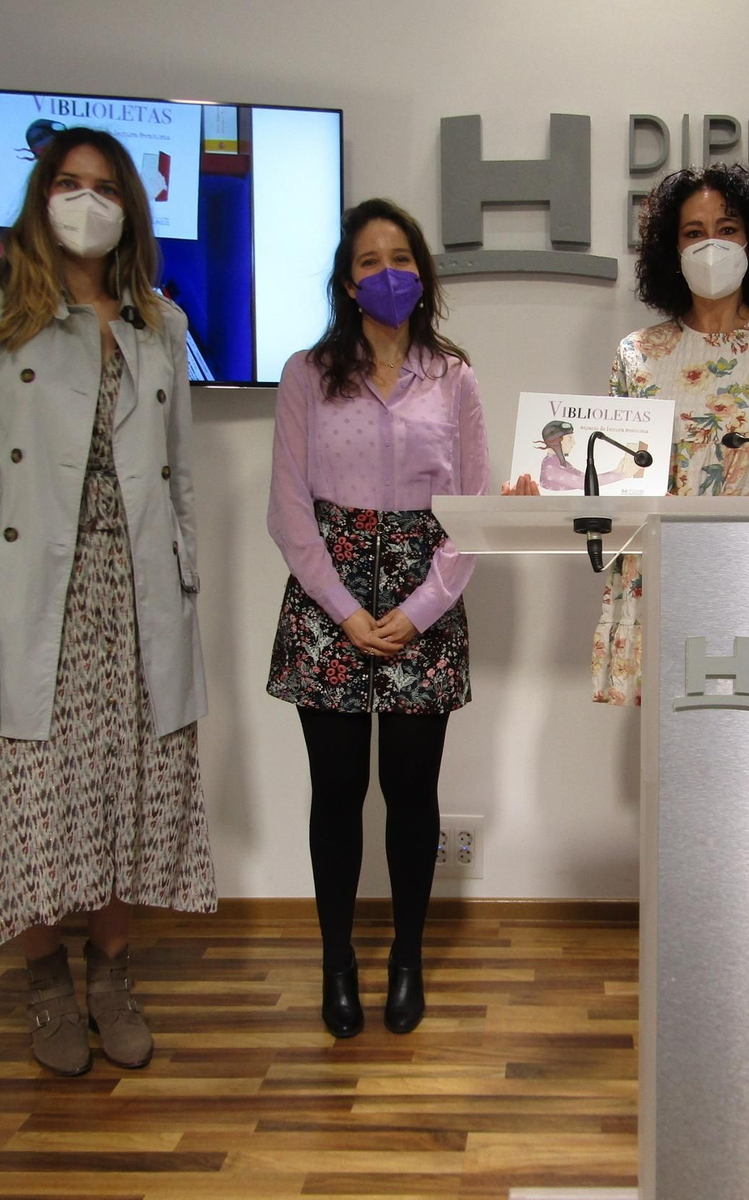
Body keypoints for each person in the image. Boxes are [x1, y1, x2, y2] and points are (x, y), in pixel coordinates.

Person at [0, 127, 215, 1077]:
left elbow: (178, 476)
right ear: (40, 195)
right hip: (22, 587)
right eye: (67, 183)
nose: (84, 200)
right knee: (30, 799)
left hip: (132, 594)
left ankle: (113, 976)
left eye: (103, 186)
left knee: (120, 793)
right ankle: (45, 983)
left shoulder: (158, 323)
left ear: (129, 204)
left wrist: (186, 578)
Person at [267, 198, 490, 1039]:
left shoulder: (456, 378)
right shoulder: (305, 374)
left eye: (401, 257)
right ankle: (336, 960)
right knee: (336, 792)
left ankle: (406, 958)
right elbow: (289, 510)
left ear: (423, 274)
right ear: (346, 280)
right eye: (368, 260)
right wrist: (349, 610)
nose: (387, 273)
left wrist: (421, 606)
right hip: (329, 601)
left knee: (411, 793)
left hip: (425, 598)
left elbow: (473, 510)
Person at [506, 164, 749, 707]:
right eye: (693, 232)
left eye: (727, 228)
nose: (711, 244)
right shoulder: (638, 355)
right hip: (664, 579)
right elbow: (612, 480)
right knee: (673, 766)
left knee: (748, 763)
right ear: (671, 249)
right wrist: (541, 494)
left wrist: (732, 515)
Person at [533, 419, 643, 492]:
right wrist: (624, 475)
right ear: (556, 440)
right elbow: (583, 483)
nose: (573, 442)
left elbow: (585, 478)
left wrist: (616, 471)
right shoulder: (550, 467)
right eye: (569, 438)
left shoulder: (558, 462)